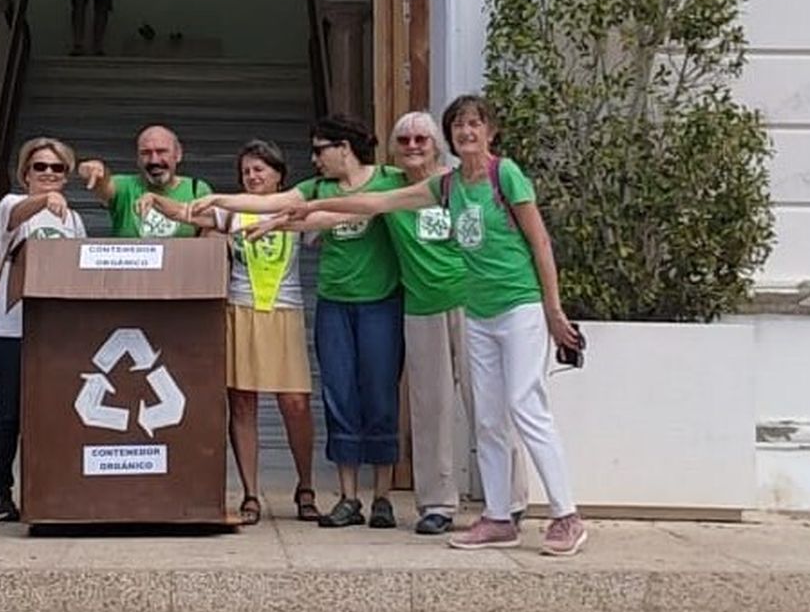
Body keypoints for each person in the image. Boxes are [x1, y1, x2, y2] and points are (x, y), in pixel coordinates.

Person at [280, 95, 588, 556]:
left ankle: (564, 515)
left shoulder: (504, 175)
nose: (465, 133)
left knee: (523, 406)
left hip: (513, 305)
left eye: (473, 125)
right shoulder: (445, 187)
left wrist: (554, 309)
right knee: (481, 415)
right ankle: (495, 517)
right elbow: (374, 201)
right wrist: (295, 214)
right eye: (458, 126)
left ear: (489, 131)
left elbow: (539, 240)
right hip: (465, 310)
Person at [192, 114, 404, 530]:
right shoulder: (315, 187)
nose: (315, 158)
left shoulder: (389, 180)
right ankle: (347, 497)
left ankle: (382, 496)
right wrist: (222, 200)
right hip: (333, 300)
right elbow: (271, 202)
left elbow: (341, 213)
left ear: (344, 148)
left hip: (380, 300)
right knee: (339, 396)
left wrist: (286, 220)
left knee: (379, 395)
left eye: (320, 149)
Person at [138, 140, 317, 524]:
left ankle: (306, 486)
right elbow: (188, 214)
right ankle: (251, 493)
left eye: (260, 170)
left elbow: (328, 216)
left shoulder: (294, 207)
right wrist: (155, 202)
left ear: (279, 175)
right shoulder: (232, 210)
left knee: (296, 404)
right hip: (241, 308)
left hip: (285, 312)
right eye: (247, 171)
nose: (253, 177)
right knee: (242, 402)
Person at [383, 111, 527, 536]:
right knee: (430, 408)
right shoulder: (389, 187)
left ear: (436, 144)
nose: (413, 147)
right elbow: (348, 199)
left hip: (471, 303)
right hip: (421, 306)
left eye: (421, 140)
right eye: (404, 140)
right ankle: (437, 503)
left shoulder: (454, 182)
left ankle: (511, 499)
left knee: (489, 403)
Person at [0, 136, 86, 521]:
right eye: (39, 167)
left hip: (54, 332)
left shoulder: (73, 219)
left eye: (56, 168)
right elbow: (14, 216)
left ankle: (47, 487)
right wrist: (44, 201)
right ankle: (0, 491)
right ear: (26, 173)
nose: (47, 174)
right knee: (8, 414)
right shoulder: (14, 204)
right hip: (11, 328)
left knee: (51, 414)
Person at [77, 124, 211, 238]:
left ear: (178, 154)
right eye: (146, 153)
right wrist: (98, 172)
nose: (154, 160)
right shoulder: (124, 186)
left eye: (161, 152)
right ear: (137, 158)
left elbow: (211, 233)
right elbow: (104, 187)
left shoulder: (196, 189)